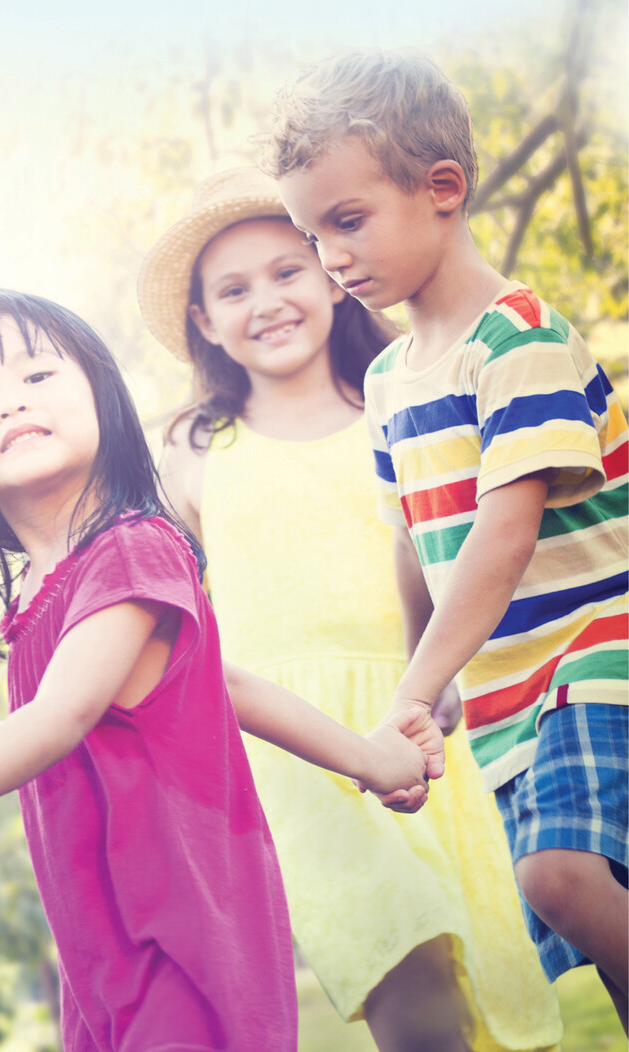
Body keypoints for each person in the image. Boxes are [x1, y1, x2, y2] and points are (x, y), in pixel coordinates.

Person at [0, 288, 442, 1051]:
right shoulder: (40, 593)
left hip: (178, 926)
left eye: (37, 376)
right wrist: (371, 757)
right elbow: (129, 718)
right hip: (101, 943)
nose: (10, 403)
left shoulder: (133, 549)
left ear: (104, 401)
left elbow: (60, 720)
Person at [143, 166, 563, 1051]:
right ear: (202, 320)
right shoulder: (193, 448)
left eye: (287, 270)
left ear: (330, 271)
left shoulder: (399, 400)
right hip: (291, 751)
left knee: (487, 973)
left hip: (422, 713)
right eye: (233, 288)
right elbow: (173, 619)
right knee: (399, 949)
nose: (267, 301)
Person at [269, 48, 628, 1029]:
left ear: (441, 190)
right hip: (513, 692)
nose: (330, 256)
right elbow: (416, 542)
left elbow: (504, 532)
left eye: (346, 220)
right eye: (312, 233)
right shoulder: (389, 381)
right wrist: (436, 690)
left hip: (597, 653)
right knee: (598, 932)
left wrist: (409, 690)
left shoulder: (518, 341)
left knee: (558, 874)